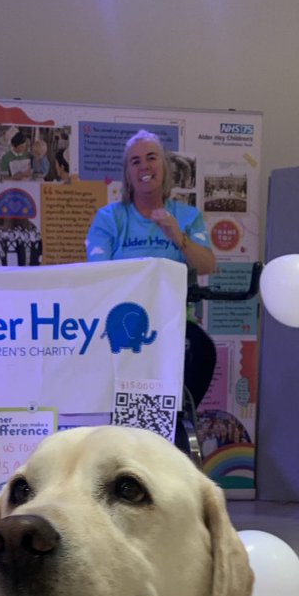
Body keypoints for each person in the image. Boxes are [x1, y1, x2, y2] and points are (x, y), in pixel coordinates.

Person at [85, 128, 217, 413]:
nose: (144, 166)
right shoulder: (110, 218)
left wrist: (178, 237)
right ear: (128, 174)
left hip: (175, 326)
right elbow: (98, 275)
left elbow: (207, 265)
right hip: (123, 325)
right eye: (135, 161)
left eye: (151, 158)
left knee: (202, 351)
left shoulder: (187, 216)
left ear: (164, 167)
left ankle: (177, 424)